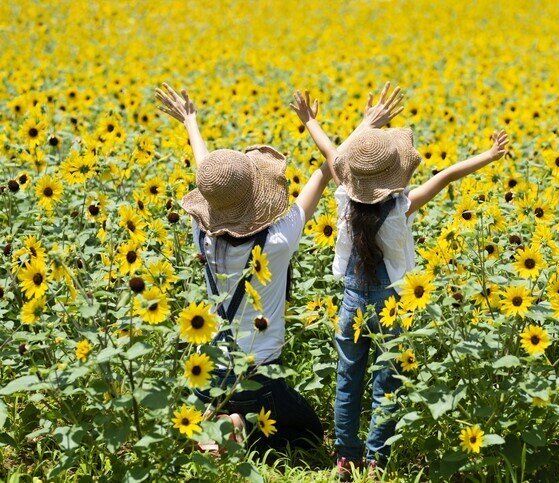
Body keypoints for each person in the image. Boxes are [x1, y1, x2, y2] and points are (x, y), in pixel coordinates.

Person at [154, 83, 404, 455]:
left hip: (208, 373)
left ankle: (216, 420)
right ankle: (234, 425)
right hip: (259, 380)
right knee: (306, 432)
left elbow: (210, 182)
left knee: (257, 414)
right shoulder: (277, 241)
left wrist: (190, 122)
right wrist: (367, 126)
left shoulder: (202, 232)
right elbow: (332, 171)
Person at [303, 83, 508, 475]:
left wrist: (312, 121)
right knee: (388, 379)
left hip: (352, 302)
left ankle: (345, 456)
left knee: (348, 378)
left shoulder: (344, 199)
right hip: (391, 304)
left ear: (352, 177)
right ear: (391, 177)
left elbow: (332, 153)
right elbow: (447, 176)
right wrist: (490, 155)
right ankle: (376, 459)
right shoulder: (400, 207)